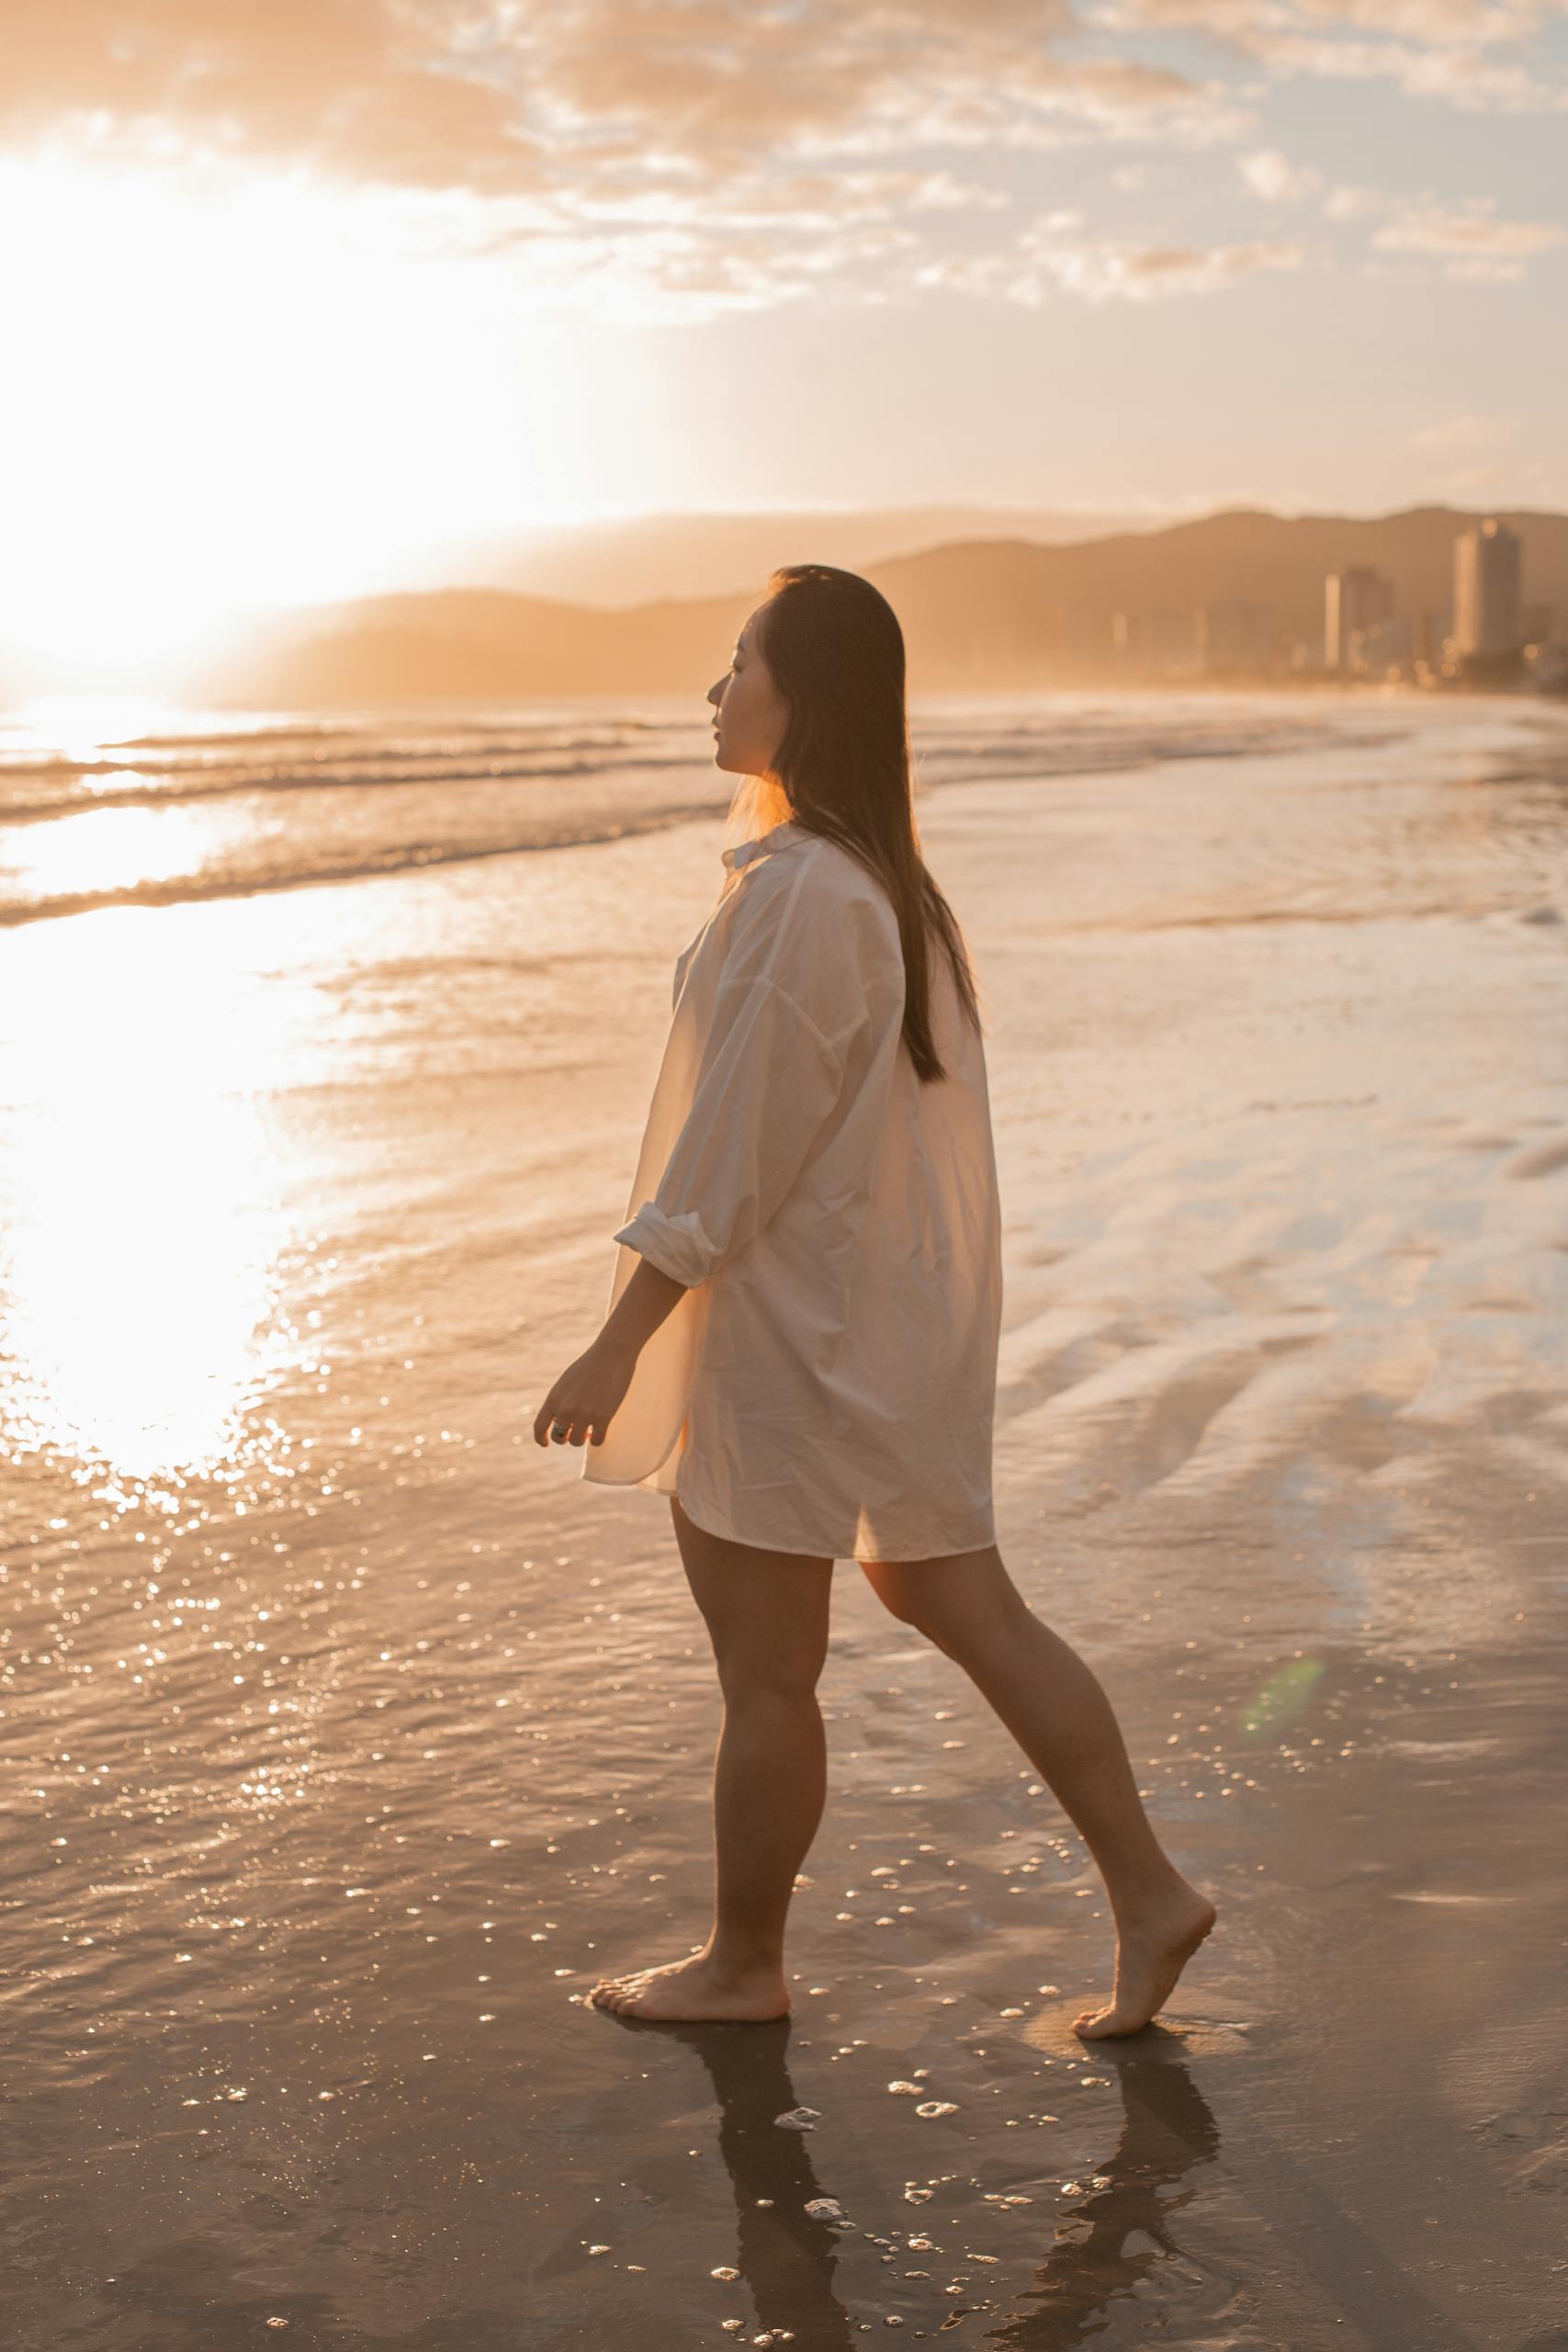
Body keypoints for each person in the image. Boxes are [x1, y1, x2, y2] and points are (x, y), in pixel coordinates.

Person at [533, 564, 1215, 2035]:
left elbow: (735, 1146)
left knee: (770, 1673)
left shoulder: (810, 897)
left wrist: (617, 1338)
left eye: (739, 665)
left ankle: (743, 1964)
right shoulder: (878, 887)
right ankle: (1150, 1892)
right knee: (957, 1600)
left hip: (799, 1337)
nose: (715, 693)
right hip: (875, 1325)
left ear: (808, 700)